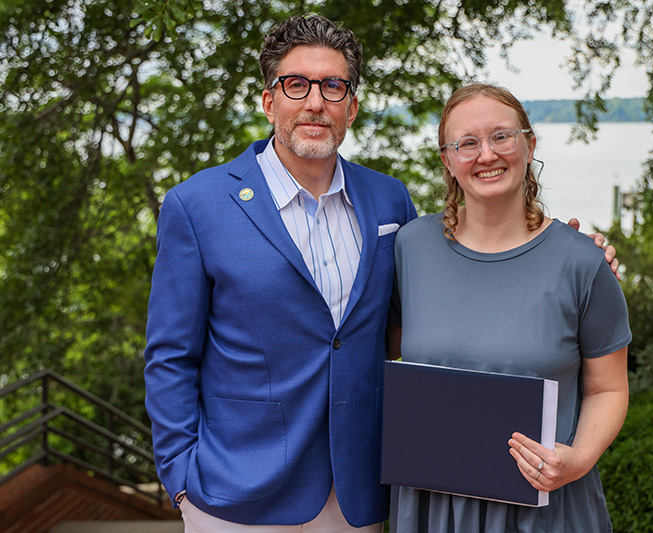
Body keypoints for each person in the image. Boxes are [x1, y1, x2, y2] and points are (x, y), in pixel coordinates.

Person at [144, 14, 617, 533]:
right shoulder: (197, 205)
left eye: (333, 86)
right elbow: (170, 356)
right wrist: (182, 481)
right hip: (237, 495)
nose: (315, 102)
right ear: (269, 100)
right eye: (296, 84)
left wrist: (569, 253)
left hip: (359, 493)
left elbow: (466, 275)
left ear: (351, 106)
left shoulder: (389, 203)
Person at [388, 83, 631, 533]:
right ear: (447, 160)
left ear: (529, 143)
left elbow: (608, 390)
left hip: (544, 508)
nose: (487, 154)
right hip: (432, 508)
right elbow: (392, 353)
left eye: (501, 136)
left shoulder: (582, 262)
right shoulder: (410, 247)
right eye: (467, 143)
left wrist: (576, 460)